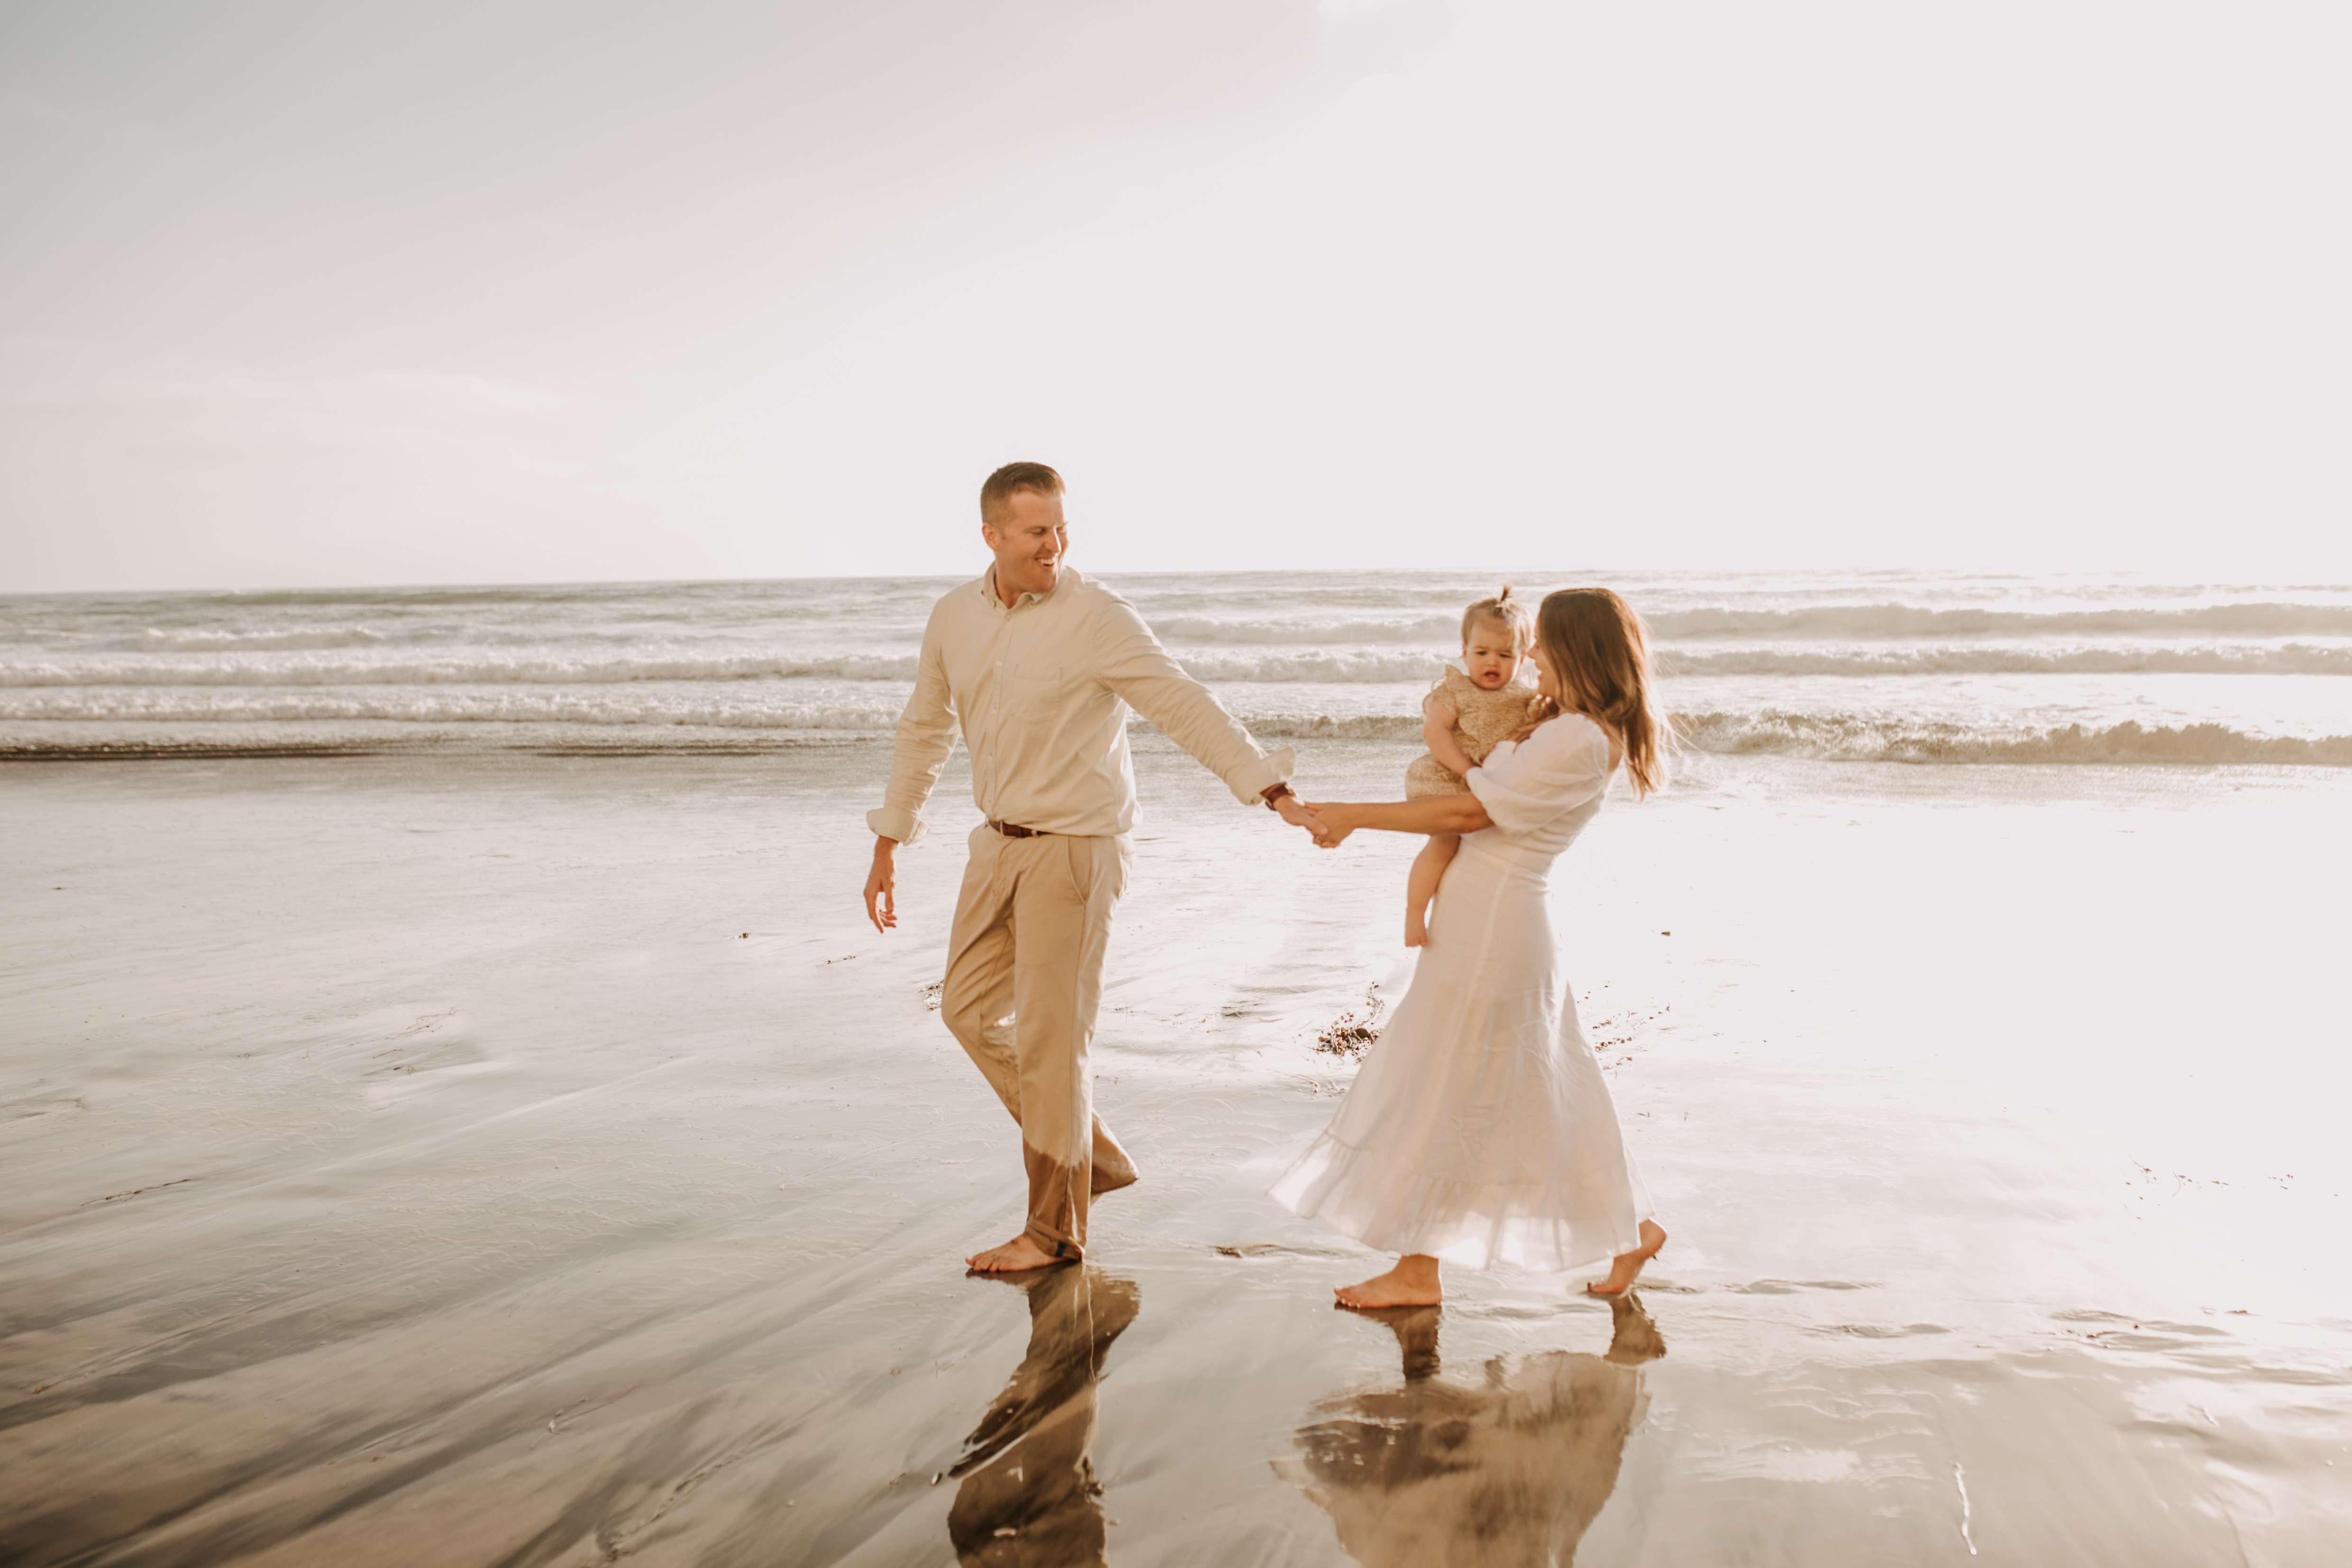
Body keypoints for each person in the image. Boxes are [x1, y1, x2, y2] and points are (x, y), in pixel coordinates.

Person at [864, 461, 1325, 1275]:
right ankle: (1093, 1154)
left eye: (1061, 528)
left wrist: (1268, 786)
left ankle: (1054, 1231)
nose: (1055, 545)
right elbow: (924, 728)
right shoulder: (952, 618)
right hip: (995, 842)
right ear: (993, 536)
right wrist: (889, 841)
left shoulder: (1097, 615)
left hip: (1078, 849)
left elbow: (1181, 701)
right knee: (967, 1011)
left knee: (1051, 1041)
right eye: (1037, 531)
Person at [1269, 586, 1671, 1307]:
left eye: (1543, 645)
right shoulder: (1563, 728)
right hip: (1488, 916)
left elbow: (1470, 808)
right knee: (1524, 1089)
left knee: (1450, 1085)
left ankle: (1417, 1272)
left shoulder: (1577, 739)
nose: (1533, 659)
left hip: (1495, 924)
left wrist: (1355, 815)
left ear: (1575, 651)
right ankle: (1627, 1228)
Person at [1401, 587, 1544, 948]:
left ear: (1524, 659)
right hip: (1449, 778)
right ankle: (1415, 913)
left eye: (1504, 654)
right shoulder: (1455, 691)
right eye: (1481, 653)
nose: (1491, 662)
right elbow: (1435, 733)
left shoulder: (1527, 698)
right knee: (1444, 844)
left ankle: (1478, 923)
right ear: (1464, 653)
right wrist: (1467, 770)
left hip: (1492, 785)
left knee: (1489, 855)